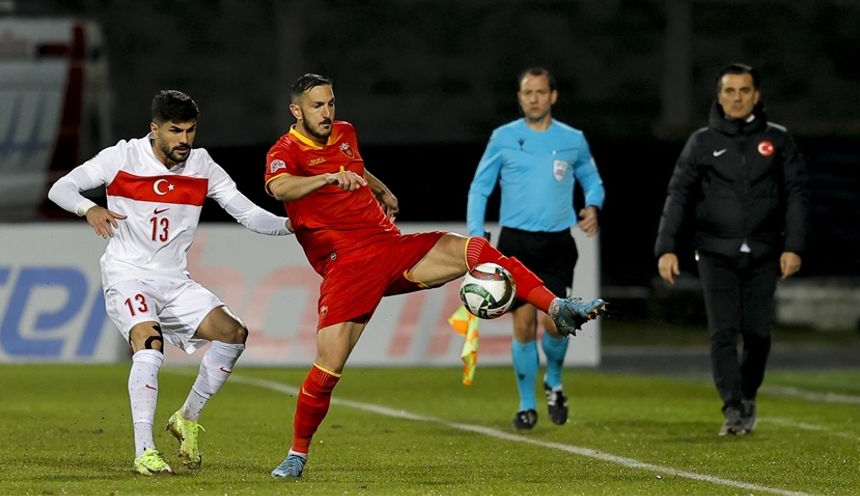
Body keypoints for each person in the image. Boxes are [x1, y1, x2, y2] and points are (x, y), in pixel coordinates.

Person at [264, 73, 606, 479]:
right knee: (327, 369)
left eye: (331, 103)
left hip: (389, 246)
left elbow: (354, 166)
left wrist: (380, 189)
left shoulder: (345, 132)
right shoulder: (285, 150)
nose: (327, 113)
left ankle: (559, 307)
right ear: (296, 110)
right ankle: (296, 455)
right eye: (317, 106)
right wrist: (325, 177)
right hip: (346, 264)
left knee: (472, 248)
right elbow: (279, 188)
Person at [48, 90, 293, 475]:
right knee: (150, 345)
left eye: (190, 131)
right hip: (127, 274)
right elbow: (60, 188)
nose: (184, 140)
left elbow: (247, 213)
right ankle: (144, 450)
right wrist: (89, 207)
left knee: (233, 333)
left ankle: (186, 418)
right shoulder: (122, 157)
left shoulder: (202, 166)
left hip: (174, 280)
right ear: (154, 129)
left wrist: (291, 225)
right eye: (175, 131)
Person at [654, 63, 809, 436]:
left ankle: (748, 393)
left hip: (764, 251)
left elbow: (797, 196)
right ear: (719, 96)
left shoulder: (779, 140)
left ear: (756, 95)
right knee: (723, 331)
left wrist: (794, 246)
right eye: (729, 91)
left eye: (743, 91)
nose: (736, 98)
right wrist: (666, 247)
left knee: (757, 333)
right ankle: (733, 407)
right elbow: (679, 194)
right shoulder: (702, 142)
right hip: (713, 251)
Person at [467, 67, 605, 430]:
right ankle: (527, 405)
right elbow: (480, 188)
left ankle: (554, 381)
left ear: (553, 96)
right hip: (515, 243)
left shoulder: (572, 139)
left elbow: (592, 178)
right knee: (524, 325)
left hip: (557, 242)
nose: (533, 98)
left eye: (540, 92)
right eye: (527, 92)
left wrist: (593, 205)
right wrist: (476, 234)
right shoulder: (503, 137)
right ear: (520, 96)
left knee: (556, 324)